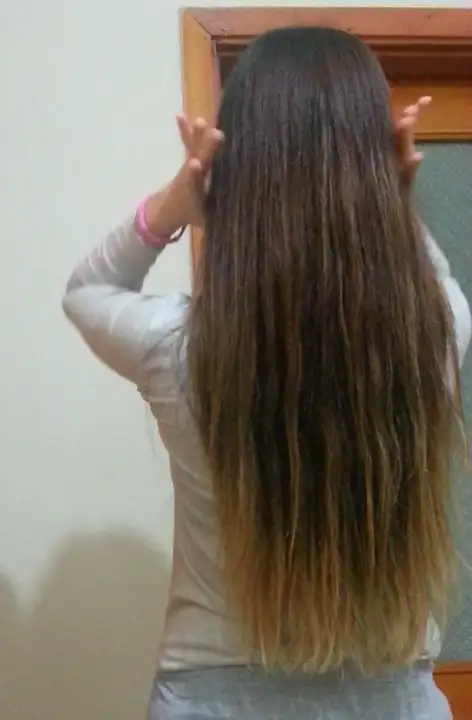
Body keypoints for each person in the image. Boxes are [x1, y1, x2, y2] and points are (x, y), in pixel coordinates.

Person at [63, 26, 471, 720]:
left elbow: (87, 293)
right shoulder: (434, 335)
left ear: (235, 172)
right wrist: (393, 198)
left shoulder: (181, 346)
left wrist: (175, 203)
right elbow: (433, 284)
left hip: (212, 703)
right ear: (376, 168)